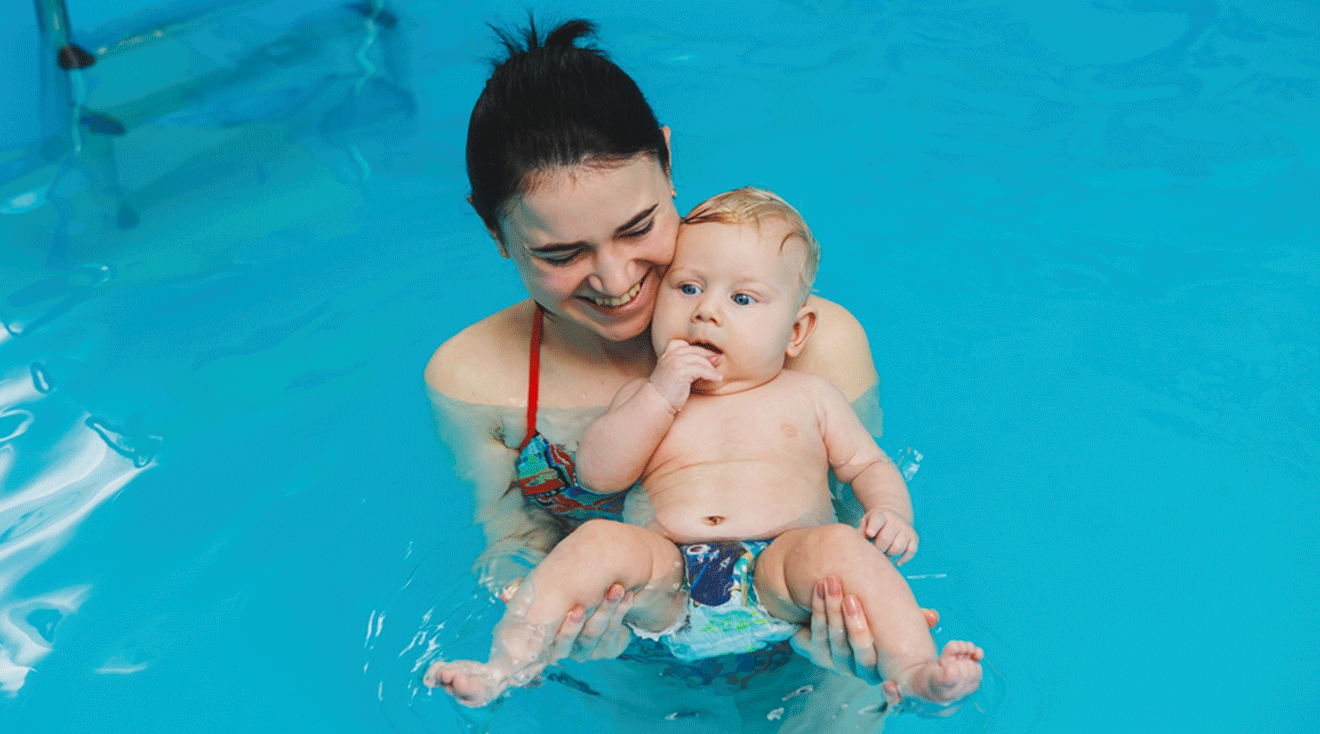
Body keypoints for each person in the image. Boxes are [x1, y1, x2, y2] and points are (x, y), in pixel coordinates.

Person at [424, 18, 922, 731]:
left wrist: (860, 625)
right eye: (562, 255)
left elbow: (857, 512)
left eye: (637, 227)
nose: (617, 280)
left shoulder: (817, 340)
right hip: (627, 636)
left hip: (808, 634)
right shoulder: (474, 379)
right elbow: (510, 543)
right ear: (494, 234)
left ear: (665, 157)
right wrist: (565, 625)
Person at [426, 188, 983, 708]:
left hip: (778, 577)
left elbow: (867, 464)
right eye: (688, 287)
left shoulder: (811, 395)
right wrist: (659, 396)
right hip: (666, 580)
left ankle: (916, 671)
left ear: (796, 332)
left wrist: (890, 512)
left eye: (742, 298)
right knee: (597, 541)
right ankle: (506, 664)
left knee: (839, 548)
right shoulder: (644, 396)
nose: (706, 311)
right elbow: (598, 475)